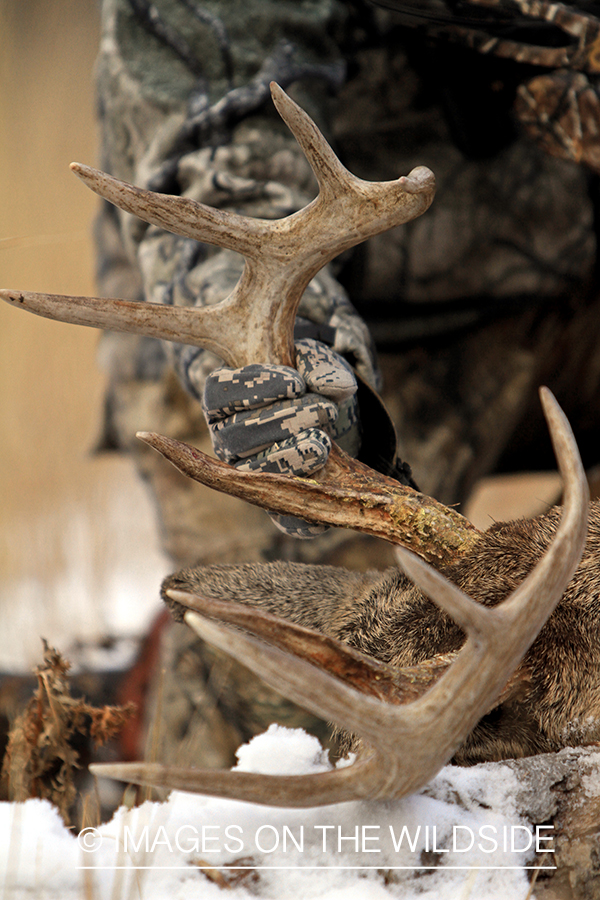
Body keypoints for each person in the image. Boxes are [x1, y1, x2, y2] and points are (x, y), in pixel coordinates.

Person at [93, 0, 600, 766]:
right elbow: (219, 175)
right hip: (352, 326)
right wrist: (293, 366)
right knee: (325, 712)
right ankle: (110, 749)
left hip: (580, 295)